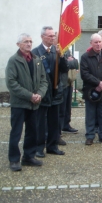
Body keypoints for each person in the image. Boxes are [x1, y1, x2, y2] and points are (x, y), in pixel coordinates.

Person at [6, 33, 48, 171]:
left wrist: (39, 94)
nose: (29, 44)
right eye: (25, 42)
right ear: (19, 44)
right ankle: (14, 160)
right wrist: (30, 95)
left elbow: (44, 80)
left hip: (34, 104)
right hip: (20, 104)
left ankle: (28, 157)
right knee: (16, 132)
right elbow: (12, 83)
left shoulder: (36, 59)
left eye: (30, 41)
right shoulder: (14, 60)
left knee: (32, 131)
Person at [32, 26, 68, 157]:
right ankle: (39, 147)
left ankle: (52, 146)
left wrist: (62, 56)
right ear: (42, 36)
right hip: (43, 92)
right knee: (40, 122)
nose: (53, 38)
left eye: (54, 36)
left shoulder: (56, 51)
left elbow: (64, 69)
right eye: (50, 36)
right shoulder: (36, 52)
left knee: (54, 121)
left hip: (56, 91)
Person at [60, 46, 79, 135]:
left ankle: (66, 124)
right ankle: (59, 127)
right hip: (62, 82)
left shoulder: (66, 49)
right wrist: (69, 61)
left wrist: (71, 61)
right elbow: (64, 65)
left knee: (68, 106)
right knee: (61, 107)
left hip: (69, 82)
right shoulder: (58, 50)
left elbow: (75, 63)